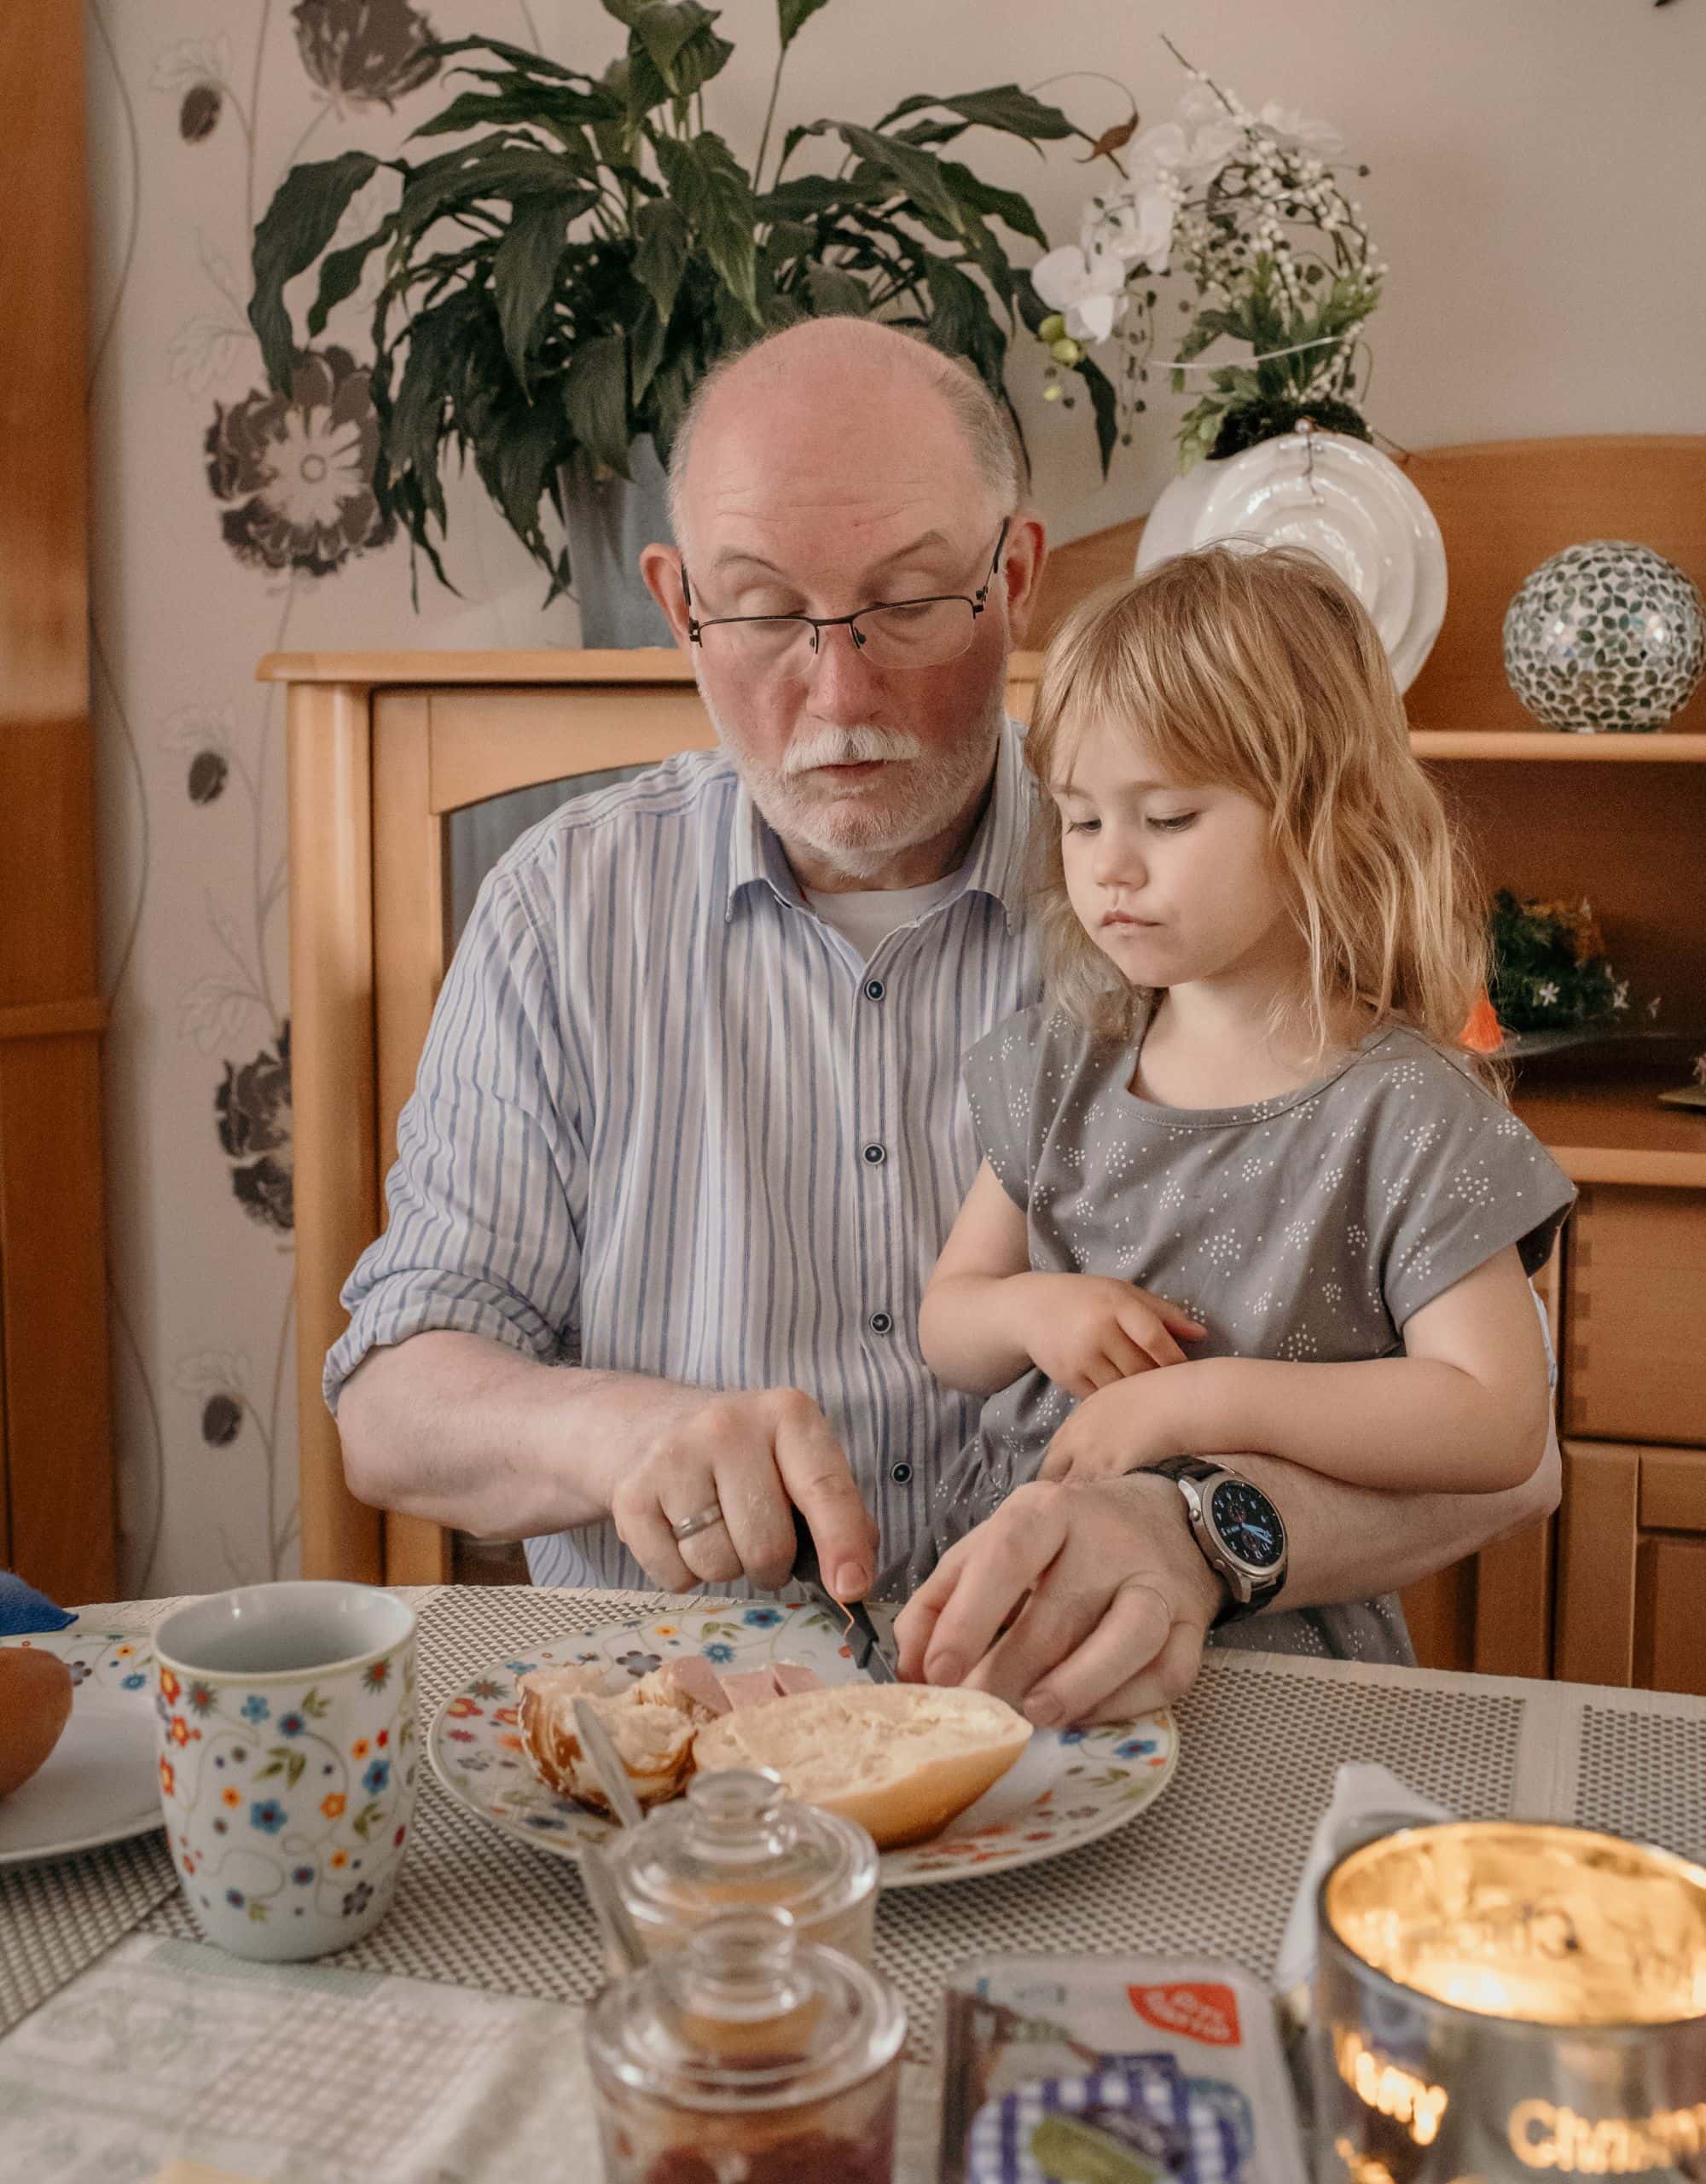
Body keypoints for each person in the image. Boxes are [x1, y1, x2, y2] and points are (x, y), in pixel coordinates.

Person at [329, 317, 1563, 1727]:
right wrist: (625, 1431)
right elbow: (391, 1403)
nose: (839, 690)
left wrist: (1198, 1530)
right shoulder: (564, 906)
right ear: (677, 603)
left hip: (1128, 1730)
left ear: (1015, 577)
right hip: (707, 1733)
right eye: (760, 608)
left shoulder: (1217, 918)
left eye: (908, 601)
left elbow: (1515, 1452)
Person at [889, 548, 1573, 1666]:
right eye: (1080, 819)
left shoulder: (1407, 1113)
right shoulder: (1065, 1063)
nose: (1110, 868)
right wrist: (1034, 1314)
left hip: (1276, 1636)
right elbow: (949, 1325)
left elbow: (1498, 1420)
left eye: (1164, 819)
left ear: (1323, 818)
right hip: (1008, 1606)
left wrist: (1200, 1407)